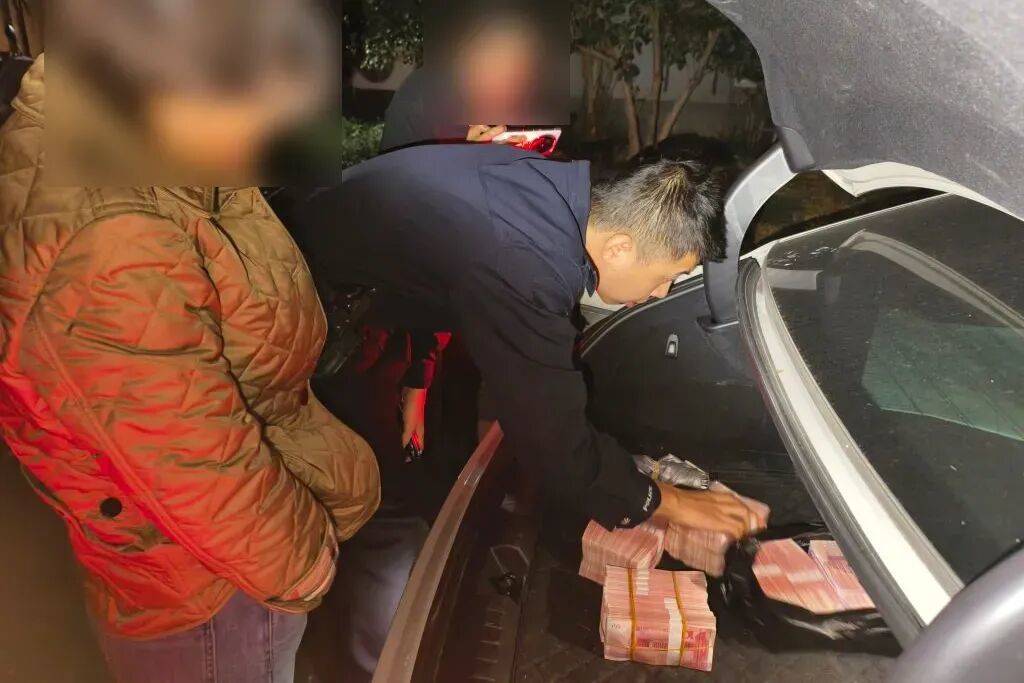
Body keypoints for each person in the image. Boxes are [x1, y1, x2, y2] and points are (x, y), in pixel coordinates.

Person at [0, 43, 379, 683]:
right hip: (213, 590)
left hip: (218, 556)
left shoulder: (148, 149)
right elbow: (184, 453)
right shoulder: (110, 229)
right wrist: (301, 567)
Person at [292, 143, 760, 559]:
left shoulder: (559, 193)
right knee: (373, 498)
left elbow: (441, 254)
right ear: (619, 248)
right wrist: (671, 503)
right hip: (294, 307)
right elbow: (552, 442)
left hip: (348, 283)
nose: (660, 293)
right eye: (665, 277)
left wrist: (418, 377)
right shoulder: (526, 262)